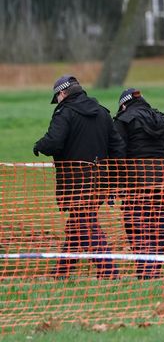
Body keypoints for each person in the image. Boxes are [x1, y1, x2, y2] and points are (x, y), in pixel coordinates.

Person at [34, 75, 125, 279]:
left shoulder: (65, 113)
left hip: (75, 181)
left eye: (57, 97)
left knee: (85, 224)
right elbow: (118, 148)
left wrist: (39, 145)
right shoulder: (102, 113)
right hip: (100, 180)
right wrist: (113, 177)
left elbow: (54, 142)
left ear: (62, 93)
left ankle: (110, 272)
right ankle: (61, 272)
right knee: (78, 224)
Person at [114, 88, 164, 279]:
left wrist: (117, 182)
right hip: (163, 180)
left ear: (124, 104)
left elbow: (119, 154)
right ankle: (155, 269)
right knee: (158, 223)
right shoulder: (163, 119)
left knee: (135, 224)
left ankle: (144, 268)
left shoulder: (123, 120)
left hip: (136, 181)